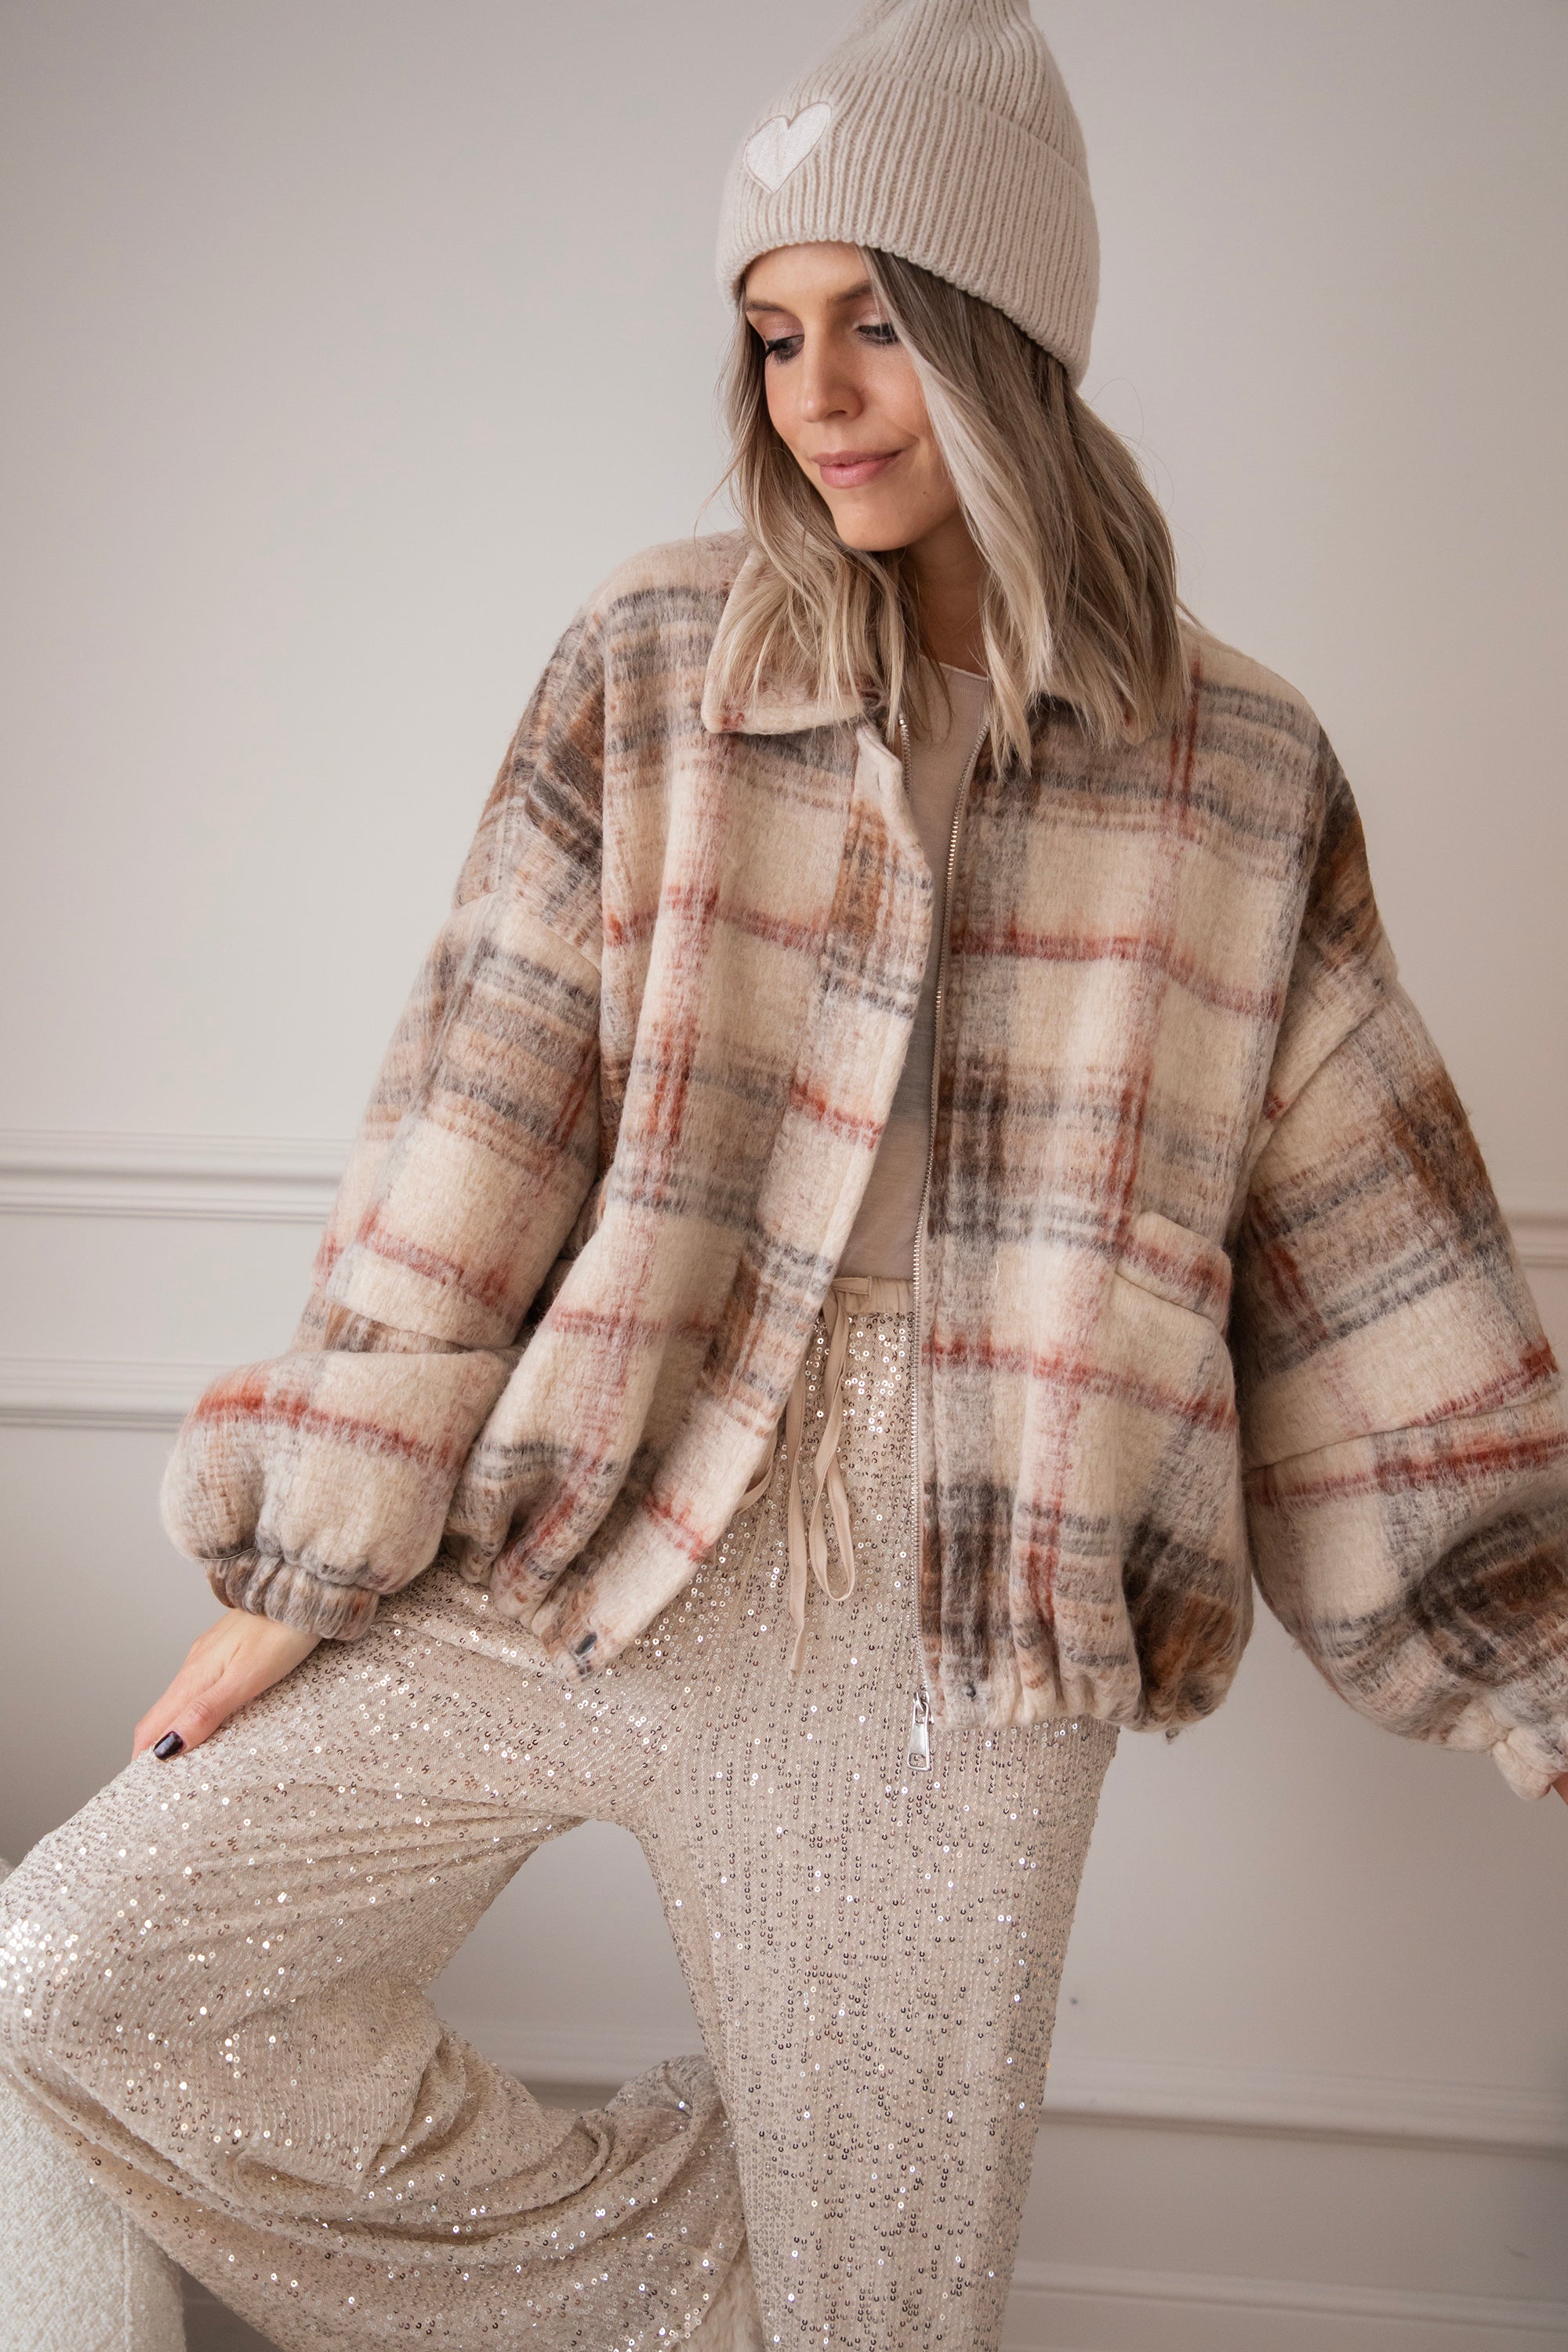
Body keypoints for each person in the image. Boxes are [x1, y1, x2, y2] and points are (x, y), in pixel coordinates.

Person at [3, 3, 1566, 2347]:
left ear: (1009, 335)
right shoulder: (654, 664)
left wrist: (1533, 1660)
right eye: (771, 332)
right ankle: (687, 2272)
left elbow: (1366, 1256)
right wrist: (311, 1555)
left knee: (883, 2317)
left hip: (966, 1619)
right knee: (75, 1964)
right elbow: (474, 1125)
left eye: (877, 324)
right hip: (604, 1508)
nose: (815, 393)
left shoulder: (1239, 766)